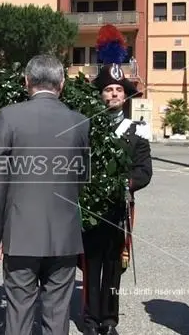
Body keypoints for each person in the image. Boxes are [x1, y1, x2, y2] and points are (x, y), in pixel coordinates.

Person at [0, 54, 91, 335]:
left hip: (20, 233)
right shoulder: (80, 122)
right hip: (64, 235)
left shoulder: (8, 116)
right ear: (62, 83)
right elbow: (81, 178)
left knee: (18, 315)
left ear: (27, 81)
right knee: (57, 317)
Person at [78, 26, 152, 335]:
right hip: (91, 208)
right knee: (91, 263)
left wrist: (124, 185)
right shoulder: (88, 128)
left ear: (125, 95)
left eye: (118, 90)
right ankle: (91, 318)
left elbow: (144, 171)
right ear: (101, 95)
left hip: (120, 207)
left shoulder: (138, 130)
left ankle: (110, 319)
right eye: (108, 90)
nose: (113, 94)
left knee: (114, 265)